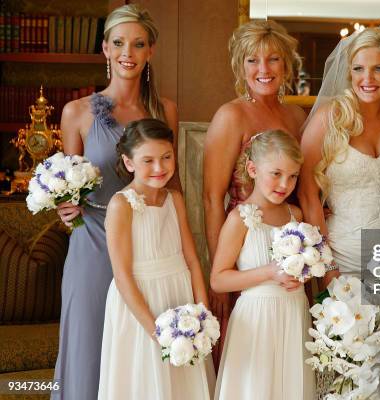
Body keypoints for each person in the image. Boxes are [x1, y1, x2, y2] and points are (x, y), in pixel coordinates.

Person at [52, 5, 179, 399]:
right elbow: (64, 188)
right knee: (89, 345)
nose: (128, 52)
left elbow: (172, 187)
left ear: (150, 51)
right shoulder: (76, 113)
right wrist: (64, 210)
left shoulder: (165, 111)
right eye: (119, 43)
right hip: (92, 243)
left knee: (140, 348)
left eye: (138, 44)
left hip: (148, 246)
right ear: (105, 48)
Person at [299, 27, 380, 397]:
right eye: (359, 69)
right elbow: (307, 195)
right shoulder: (329, 117)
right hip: (343, 251)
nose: (368, 79)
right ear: (347, 72)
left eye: (379, 69)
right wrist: (328, 266)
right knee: (349, 358)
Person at [202, 20, 306, 367]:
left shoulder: (296, 116)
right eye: (252, 61)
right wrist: (223, 272)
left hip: (287, 240)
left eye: (273, 60)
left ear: (287, 65)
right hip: (244, 245)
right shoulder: (231, 115)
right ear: (240, 66)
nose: (263, 70)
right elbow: (212, 198)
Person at [98, 119, 212, 399]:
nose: (160, 168)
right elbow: (122, 276)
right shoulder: (121, 205)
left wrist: (201, 311)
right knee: (146, 378)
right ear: (129, 162)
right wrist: (158, 333)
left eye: (166, 157)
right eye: (148, 160)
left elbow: (192, 259)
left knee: (182, 382)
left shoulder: (174, 199)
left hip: (179, 295)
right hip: (142, 304)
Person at [211, 130, 314, 400]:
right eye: (276, 173)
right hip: (256, 318)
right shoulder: (240, 219)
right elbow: (218, 279)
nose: (285, 184)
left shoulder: (296, 216)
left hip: (293, 312)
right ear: (253, 169)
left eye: (293, 176)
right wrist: (268, 272)